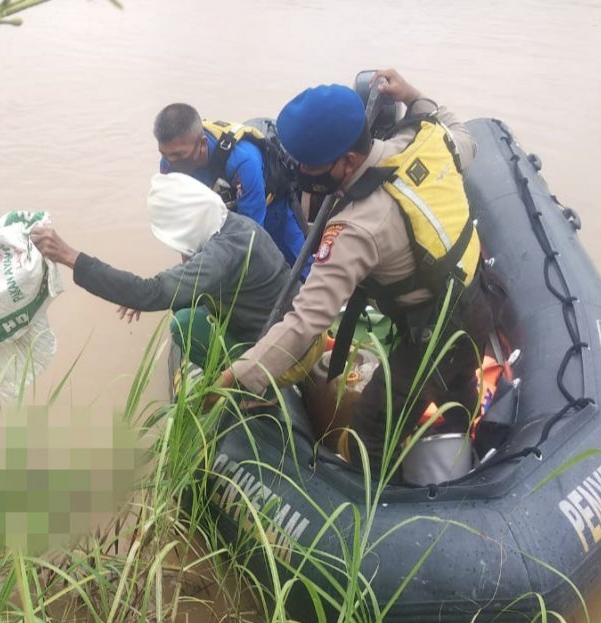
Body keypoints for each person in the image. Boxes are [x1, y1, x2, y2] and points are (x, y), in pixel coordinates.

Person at [209, 70, 492, 472]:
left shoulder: (357, 228)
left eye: (307, 166)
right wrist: (413, 94)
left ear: (348, 162)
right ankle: (462, 438)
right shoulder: (425, 141)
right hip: (475, 300)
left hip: (433, 336)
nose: (300, 174)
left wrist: (238, 377)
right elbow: (462, 134)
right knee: (461, 381)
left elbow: (307, 320)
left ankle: (379, 502)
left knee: (371, 425)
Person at [30, 173, 299, 369]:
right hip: (281, 328)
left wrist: (69, 256)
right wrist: (137, 295)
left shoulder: (223, 253)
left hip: (278, 353)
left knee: (183, 323)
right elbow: (184, 278)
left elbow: (152, 292)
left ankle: (241, 386)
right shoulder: (234, 226)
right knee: (181, 305)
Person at [153, 103, 311, 278]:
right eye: (164, 154)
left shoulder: (243, 162)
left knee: (299, 266)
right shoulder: (168, 164)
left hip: (269, 206)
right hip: (223, 205)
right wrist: (187, 277)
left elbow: (251, 236)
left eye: (178, 155)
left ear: (202, 144)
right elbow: (186, 228)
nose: (170, 163)